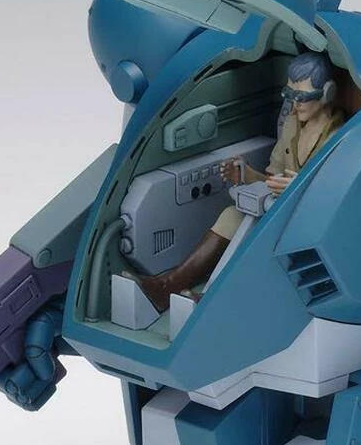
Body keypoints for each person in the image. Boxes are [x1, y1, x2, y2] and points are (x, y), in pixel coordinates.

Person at [136, 51, 345, 311]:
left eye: (302, 97)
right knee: (232, 215)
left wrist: (300, 189)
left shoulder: (339, 139)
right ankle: (167, 286)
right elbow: (273, 178)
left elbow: (337, 201)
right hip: (276, 209)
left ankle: (211, 302)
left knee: (255, 240)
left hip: (308, 224)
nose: (294, 103)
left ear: (326, 94)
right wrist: (247, 175)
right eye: (289, 94)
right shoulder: (292, 125)